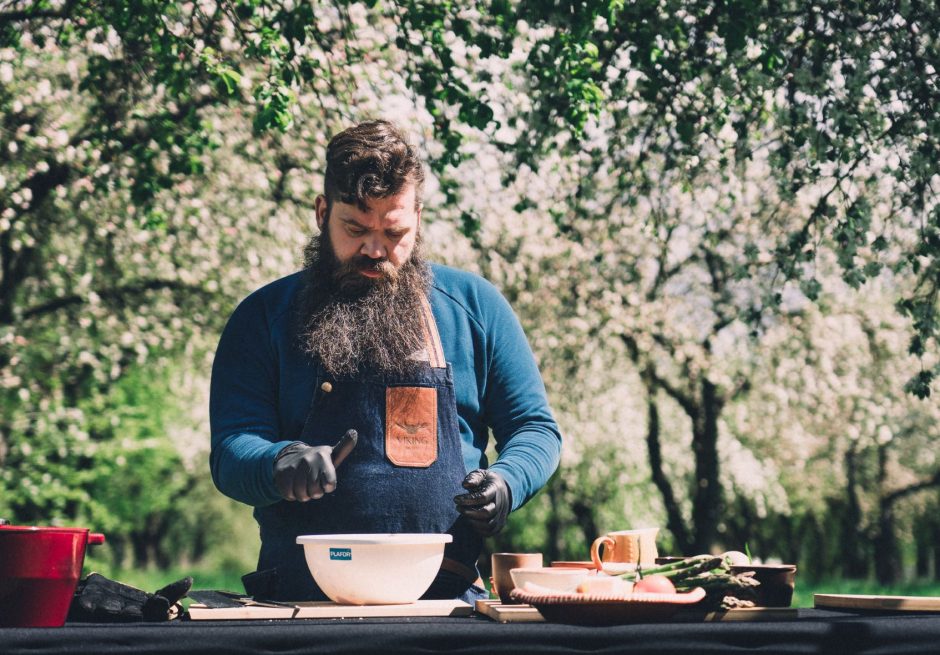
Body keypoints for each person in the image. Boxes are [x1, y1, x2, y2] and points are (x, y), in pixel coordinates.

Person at [209, 120, 562, 603]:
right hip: (298, 600)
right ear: (321, 212)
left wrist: (507, 480)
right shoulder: (262, 317)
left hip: (448, 599)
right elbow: (231, 451)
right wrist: (278, 461)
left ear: (418, 216)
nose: (375, 250)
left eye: (394, 232)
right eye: (355, 229)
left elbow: (536, 429)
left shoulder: (475, 307)